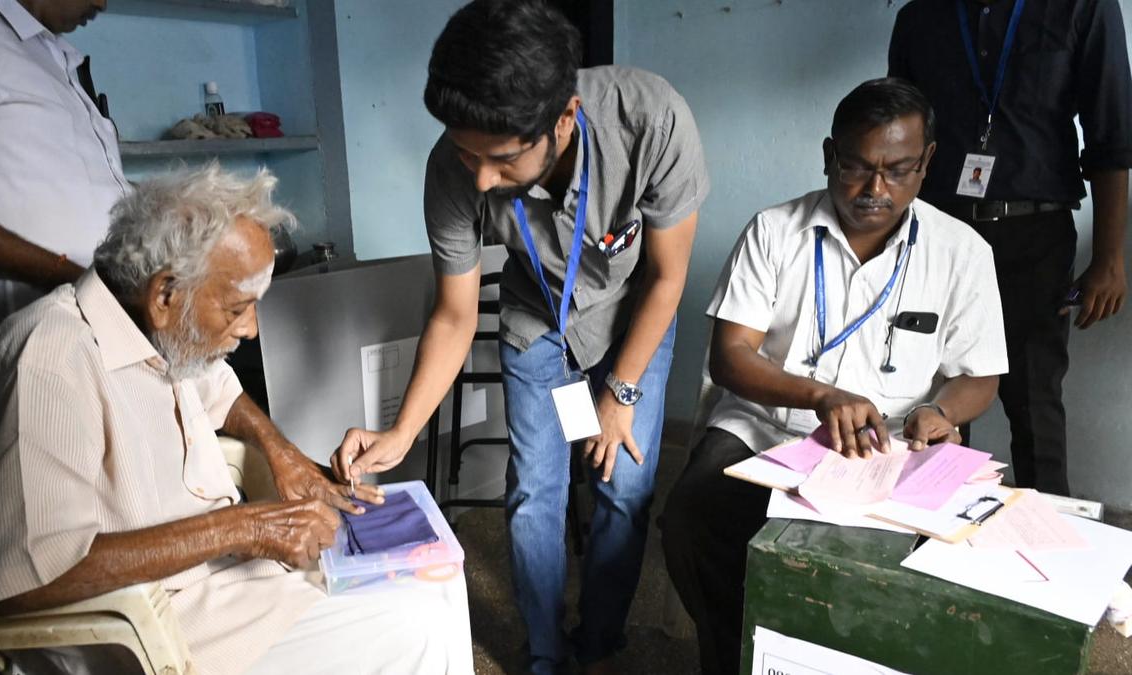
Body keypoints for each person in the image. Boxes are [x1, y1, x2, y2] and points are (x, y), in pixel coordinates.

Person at [0, 165, 467, 675]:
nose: (250, 329)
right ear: (165, 295)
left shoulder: (162, 332)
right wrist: (242, 527)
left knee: (436, 576)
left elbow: (225, 396)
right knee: (415, 622)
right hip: (142, 630)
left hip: (217, 583)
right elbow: (29, 578)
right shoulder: (48, 359)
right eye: (236, 309)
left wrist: (283, 454)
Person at [332, 1, 708, 671]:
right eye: (464, 153)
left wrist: (619, 393)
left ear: (564, 119)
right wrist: (402, 431)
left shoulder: (651, 120)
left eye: (501, 160)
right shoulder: (456, 166)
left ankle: (598, 641)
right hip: (539, 321)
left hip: (633, 314)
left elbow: (666, 277)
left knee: (623, 487)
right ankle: (544, 653)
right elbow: (453, 314)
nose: (479, 178)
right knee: (536, 489)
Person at [660, 78, 1008, 674]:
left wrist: (943, 412)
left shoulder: (962, 251)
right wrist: (820, 394)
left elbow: (979, 376)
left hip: (891, 444)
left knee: (914, 570)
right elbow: (731, 354)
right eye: (856, 167)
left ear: (926, 163)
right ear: (829, 155)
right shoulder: (773, 231)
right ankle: (734, 654)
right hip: (767, 431)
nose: (875, 189)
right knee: (692, 520)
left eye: (898, 169)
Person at [889, 0, 1132, 495]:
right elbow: (899, 138)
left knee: (1034, 400)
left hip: (1034, 240)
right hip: (940, 237)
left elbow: (1112, 138)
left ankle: (1043, 547)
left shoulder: (1084, 9)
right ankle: (933, 541)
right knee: (934, 397)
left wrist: (1109, 258)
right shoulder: (920, 16)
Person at [0, 0, 129, 341]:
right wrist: (62, 273)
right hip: (41, 334)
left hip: (108, 312)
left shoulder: (51, 53)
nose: (102, 4)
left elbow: (78, 180)